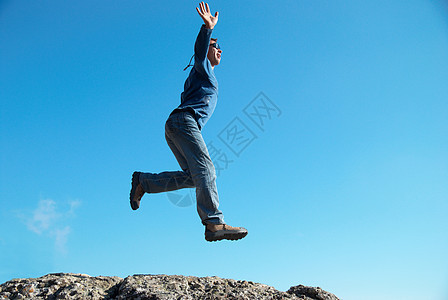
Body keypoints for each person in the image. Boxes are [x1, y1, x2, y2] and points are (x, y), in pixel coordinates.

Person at [129, 2, 248, 242]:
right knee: (207, 170)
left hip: (176, 125)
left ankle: (144, 181)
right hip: (184, 122)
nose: (220, 50)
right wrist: (207, 30)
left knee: (196, 178)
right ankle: (214, 223)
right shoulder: (202, 66)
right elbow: (200, 49)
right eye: (217, 46)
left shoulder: (204, 74)